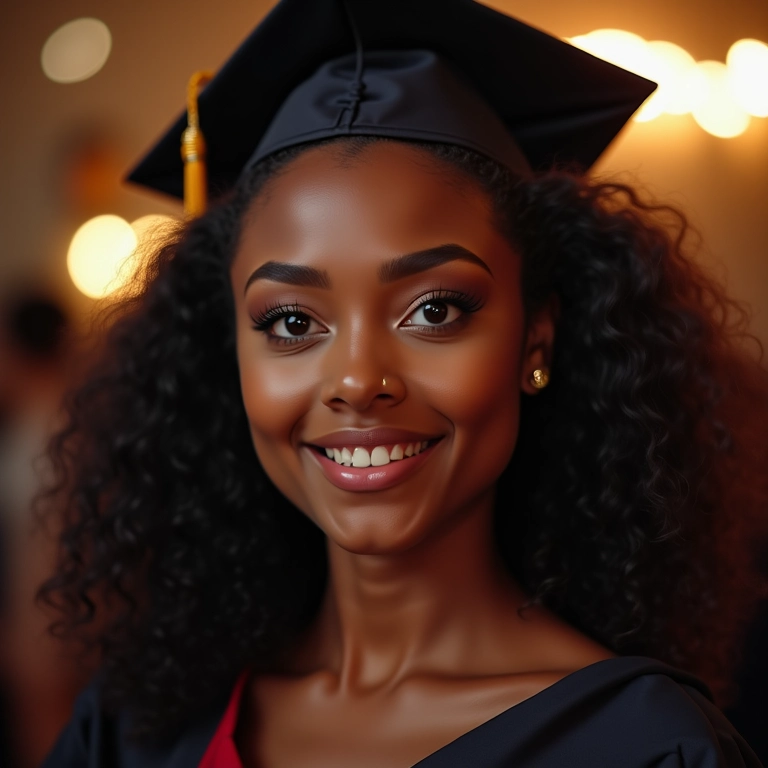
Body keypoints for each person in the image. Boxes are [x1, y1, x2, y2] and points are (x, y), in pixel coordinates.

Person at [39, 0, 768, 765]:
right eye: (291, 322)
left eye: (435, 309)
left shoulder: (644, 747)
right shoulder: (134, 735)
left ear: (535, 339)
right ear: (228, 351)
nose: (358, 380)